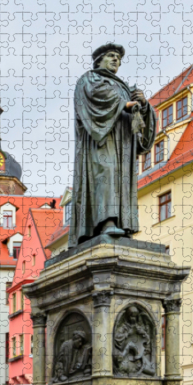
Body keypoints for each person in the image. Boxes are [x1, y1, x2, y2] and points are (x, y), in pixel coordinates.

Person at [69, 43, 157, 247]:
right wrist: (122, 104)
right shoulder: (90, 78)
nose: (116, 60)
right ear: (99, 60)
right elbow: (94, 98)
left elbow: (140, 122)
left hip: (123, 145)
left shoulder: (123, 87)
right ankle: (106, 222)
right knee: (106, 174)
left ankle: (122, 224)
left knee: (122, 181)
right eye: (111, 56)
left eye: (119, 57)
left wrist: (143, 105)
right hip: (100, 141)